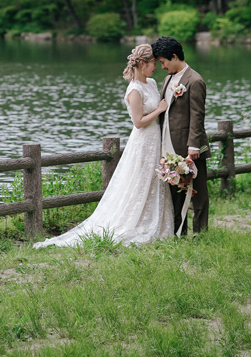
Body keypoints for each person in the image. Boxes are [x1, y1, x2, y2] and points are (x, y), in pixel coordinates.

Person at [34, 43, 174, 248]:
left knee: (153, 181)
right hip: (143, 141)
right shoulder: (134, 89)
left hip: (156, 140)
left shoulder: (152, 83)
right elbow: (138, 122)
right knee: (140, 182)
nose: (156, 67)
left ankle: (157, 222)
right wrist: (160, 110)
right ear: (143, 64)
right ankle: (131, 224)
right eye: (153, 63)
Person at [152, 35, 209, 235]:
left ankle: (200, 233)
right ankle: (179, 232)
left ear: (174, 56)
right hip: (168, 144)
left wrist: (193, 146)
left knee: (198, 191)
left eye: (163, 62)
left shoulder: (195, 80)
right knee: (176, 189)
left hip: (189, 146)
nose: (162, 67)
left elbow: (197, 116)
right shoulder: (168, 79)